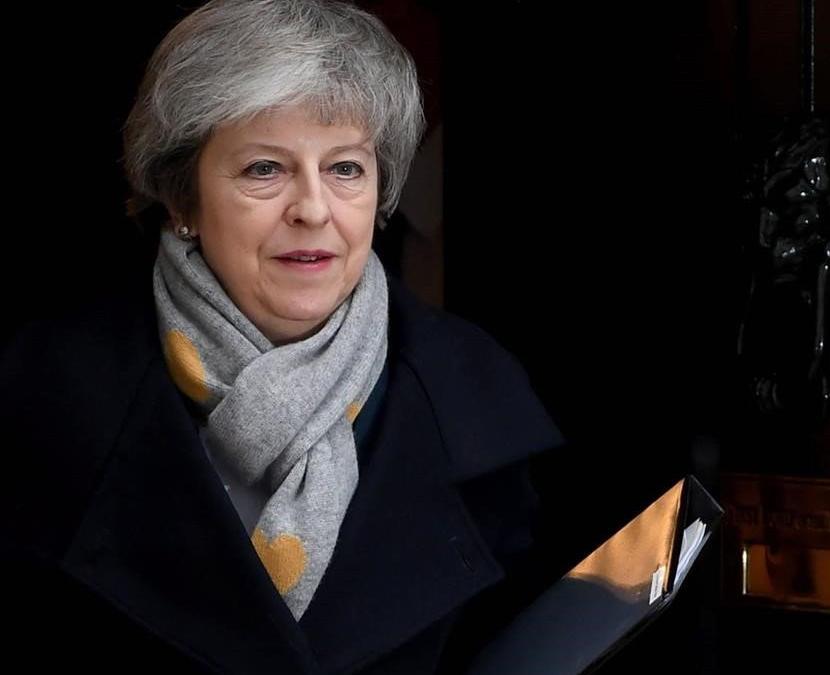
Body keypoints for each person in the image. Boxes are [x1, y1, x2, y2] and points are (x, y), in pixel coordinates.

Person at [1, 1, 563, 672]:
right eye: (265, 169)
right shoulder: (41, 394)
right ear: (182, 198)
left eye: (346, 168)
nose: (314, 208)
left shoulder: (482, 395)